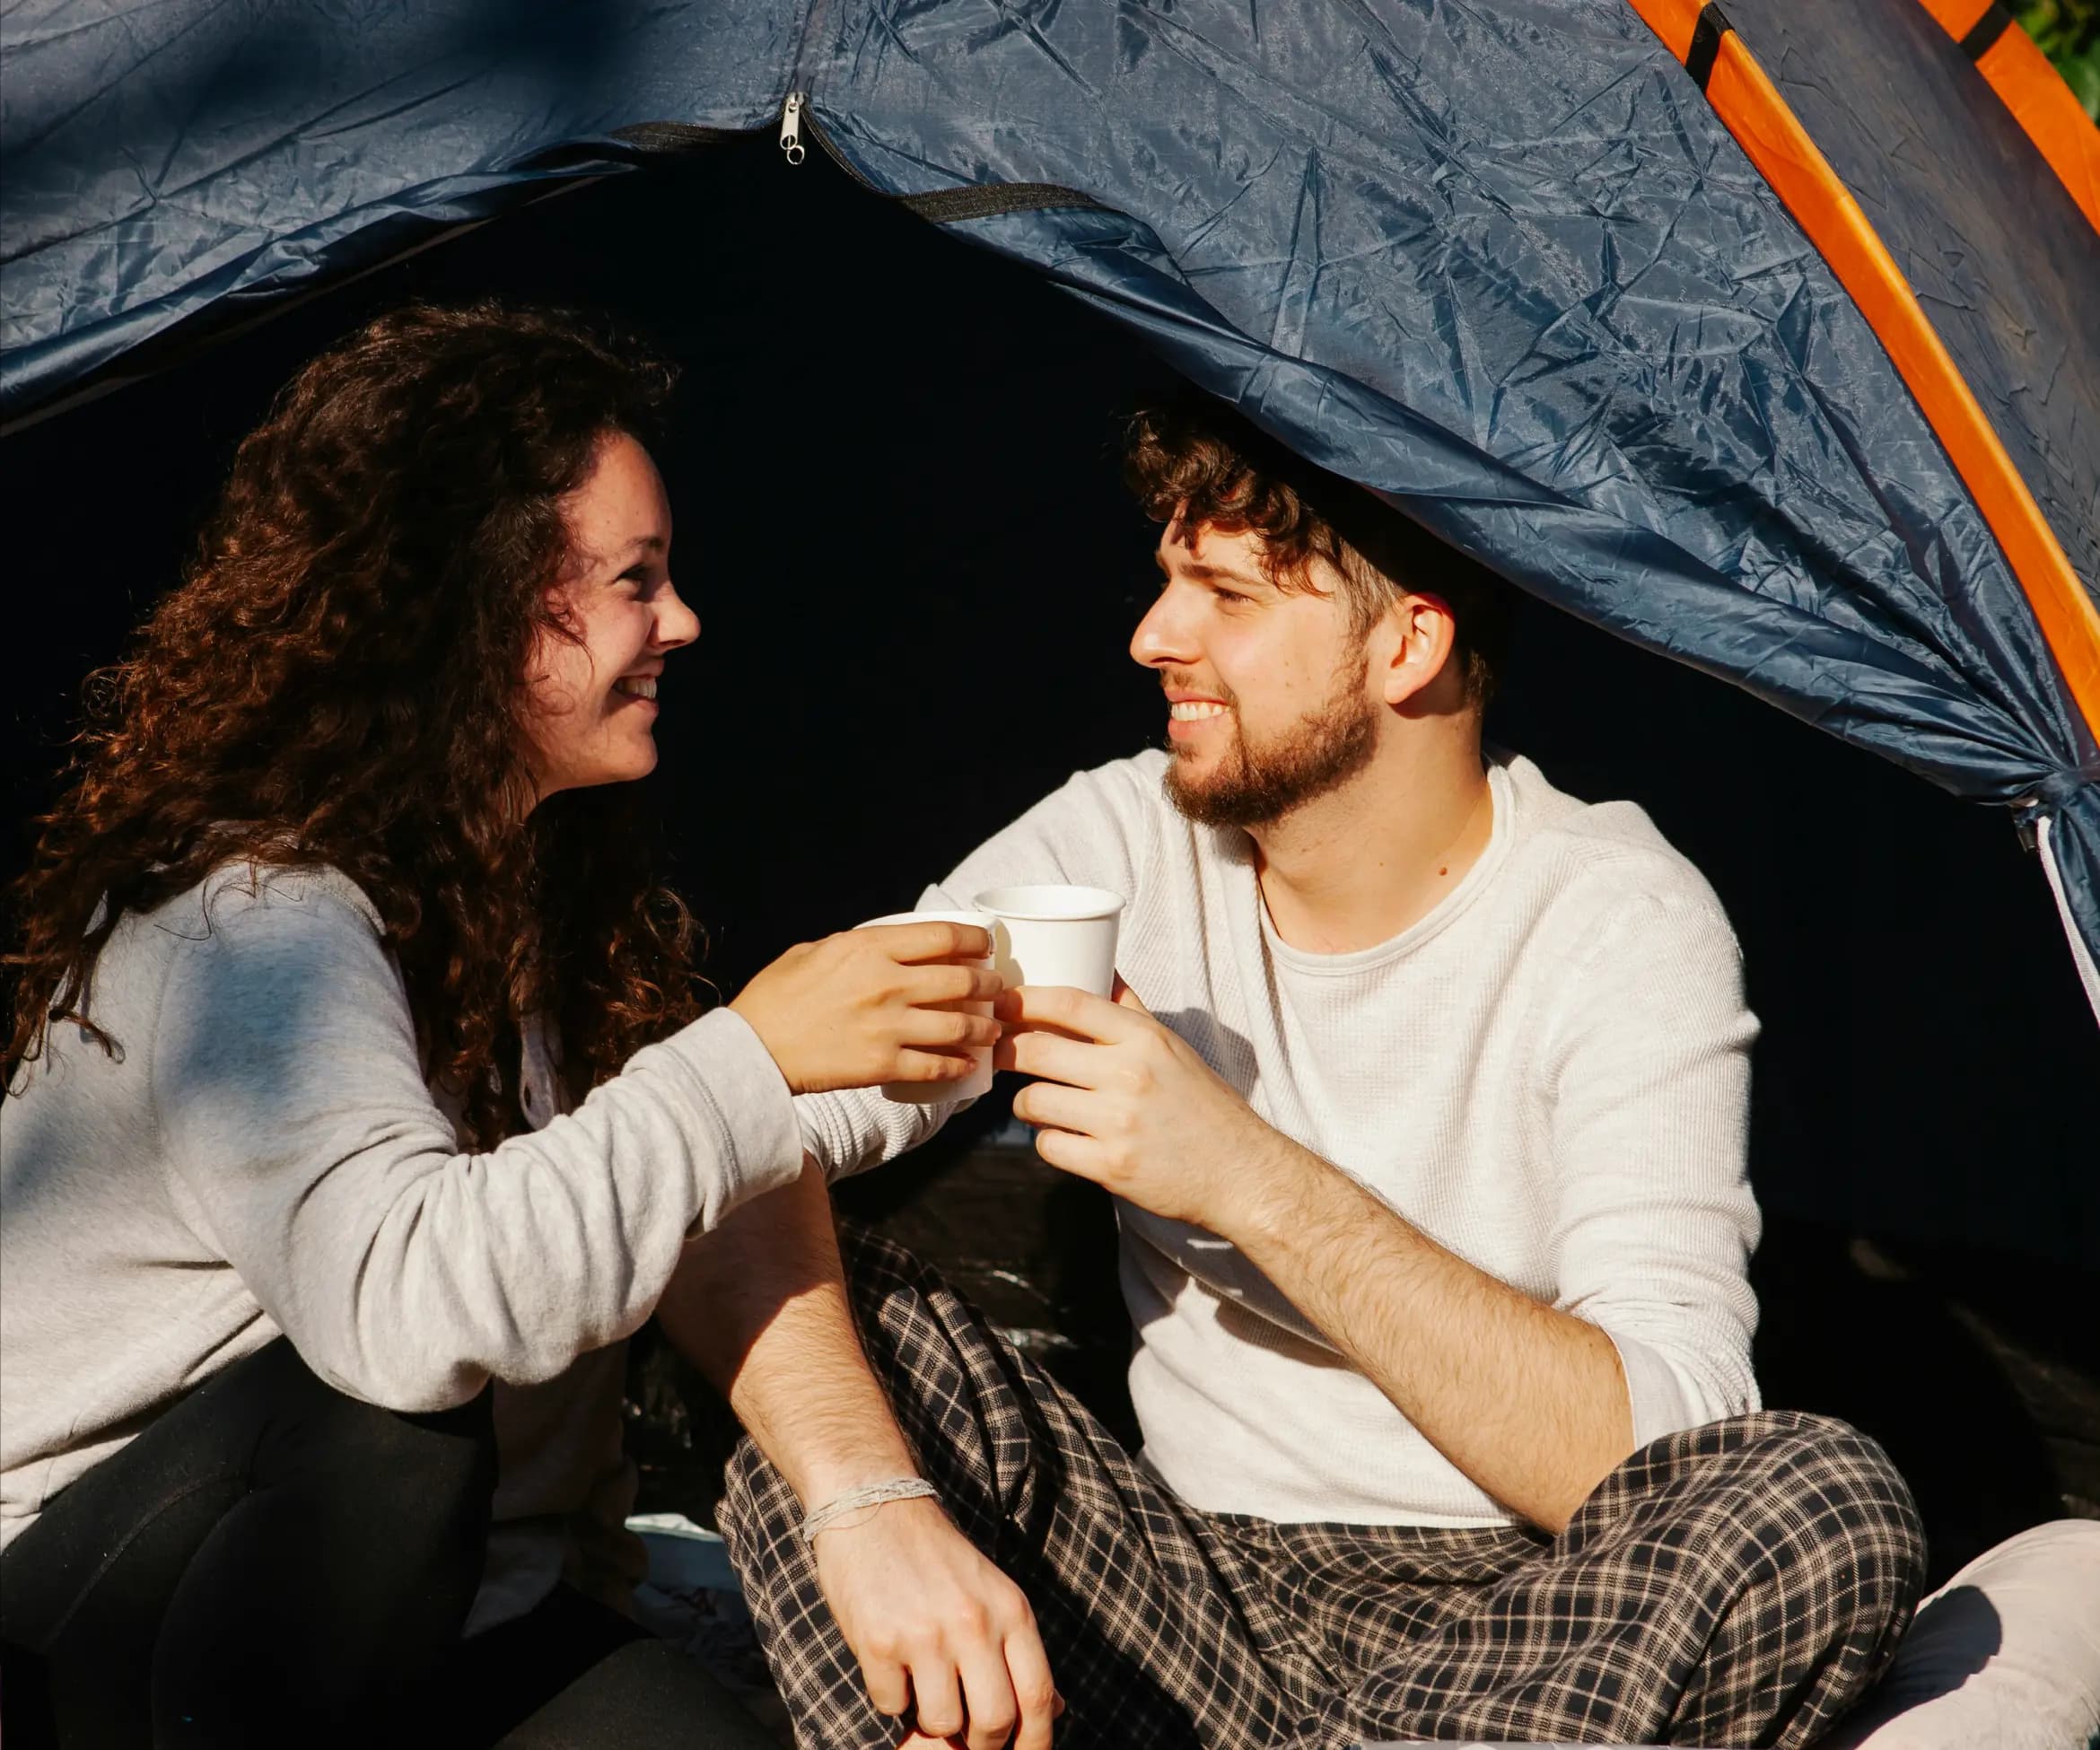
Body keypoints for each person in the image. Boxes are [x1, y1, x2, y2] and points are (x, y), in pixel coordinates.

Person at [662, 398, 1928, 1750]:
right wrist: (873, 1505)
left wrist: (1246, 1176)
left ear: (1408, 642)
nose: (1154, 636)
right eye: (1165, 580)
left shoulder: (1615, 918)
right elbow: (742, 1126)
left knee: (1818, 1500)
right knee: (833, 1338)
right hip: (1182, 1592)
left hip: (1532, 1627)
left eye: (1225, 594)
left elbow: (1663, 1448)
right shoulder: (1117, 850)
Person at [0, 301, 1002, 1746]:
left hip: (445, 1627)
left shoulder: (516, 893)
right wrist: (756, 1054)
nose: (685, 622)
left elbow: (668, 1161)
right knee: (392, 1428)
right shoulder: (255, 922)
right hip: (100, 1631)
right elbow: (408, 1307)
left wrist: (962, 1025)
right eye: (635, 581)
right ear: (475, 603)